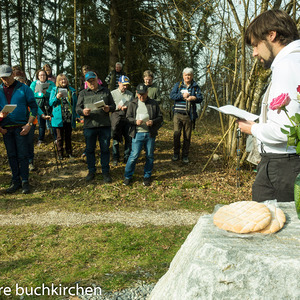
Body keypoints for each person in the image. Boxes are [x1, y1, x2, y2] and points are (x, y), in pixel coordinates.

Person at [236, 9, 300, 203]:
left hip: (283, 167)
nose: (254, 53)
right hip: (284, 164)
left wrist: (252, 128)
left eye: (256, 45)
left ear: (272, 35)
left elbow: (286, 131)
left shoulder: (287, 65)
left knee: (276, 229)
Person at [0, 64, 38, 194]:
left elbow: (34, 107)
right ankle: (15, 181)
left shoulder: (24, 88)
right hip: (6, 129)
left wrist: (29, 124)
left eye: (7, 77)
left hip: (21, 128)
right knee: (11, 155)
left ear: (12, 75)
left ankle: (25, 181)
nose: (5, 80)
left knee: (23, 155)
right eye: (2, 78)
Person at [76, 71, 116, 183]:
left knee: (105, 149)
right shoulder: (83, 93)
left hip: (104, 125)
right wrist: (83, 111)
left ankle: (105, 172)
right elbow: (77, 108)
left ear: (96, 79)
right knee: (89, 150)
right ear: (86, 82)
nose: (91, 83)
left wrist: (109, 108)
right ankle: (91, 171)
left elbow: (114, 106)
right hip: (90, 126)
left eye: (93, 80)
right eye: (89, 81)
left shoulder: (106, 91)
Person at [123, 83, 163, 186]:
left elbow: (160, 117)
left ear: (147, 93)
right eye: (139, 94)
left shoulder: (153, 103)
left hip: (150, 134)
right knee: (134, 155)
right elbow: (127, 117)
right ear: (136, 93)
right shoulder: (132, 103)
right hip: (137, 133)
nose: (141, 96)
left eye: (143, 94)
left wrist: (153, 122)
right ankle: (127, 176)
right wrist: (135, 122)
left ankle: (147, 176)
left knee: (149, 155)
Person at [170, 67, 203, 163]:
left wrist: (194, 98)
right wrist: (182, 96)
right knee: (176, 135)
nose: (187, 77)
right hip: (177, 114)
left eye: (189, 75)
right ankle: (176, 154)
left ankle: (185, 155)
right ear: (183, 76)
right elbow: (172, 95)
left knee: (187, 136)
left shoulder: (195, 86)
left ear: (192, 76)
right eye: (186, 75)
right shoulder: (178, 85)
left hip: (189, 115)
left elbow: (200, 98)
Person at [49, 74, 79, 159]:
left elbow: (75, 104)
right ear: (58, 81)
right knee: (59, 137)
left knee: (68, 136)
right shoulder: (54, 90)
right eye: (61, 80)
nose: (63, 81)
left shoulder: (72, 90)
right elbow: (51, 103)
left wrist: (77, 115)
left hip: (69, 116)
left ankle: (69, 152)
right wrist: (56, 98)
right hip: (59, 117)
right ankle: (60, 153)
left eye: (65, 79)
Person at [111, 75, 134, 166]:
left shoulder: (130, 94)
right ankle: (115, 158)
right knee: (116, 138)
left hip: (127, 118)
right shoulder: (112, 93)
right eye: (123, 85)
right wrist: (117, 107)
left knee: (128, 138)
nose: (125, 87)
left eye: (126, 85)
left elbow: (133, 107)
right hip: (116, 117)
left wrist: (128, 108)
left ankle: (126, 157)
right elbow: (109, 106)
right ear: (119, 83)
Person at [30, 69, 55, 145]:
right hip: (39, 104)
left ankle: (55, 138)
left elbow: (54, 92)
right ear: (38, 76)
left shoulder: (50, 83)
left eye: (44, 75)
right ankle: (41, 139)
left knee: (52, 121)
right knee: (41, 123)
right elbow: (31, 94)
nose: (42, 76)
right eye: (40, 75)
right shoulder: (34, 83)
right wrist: (38, 94)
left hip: (49, 104)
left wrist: (46, 93)